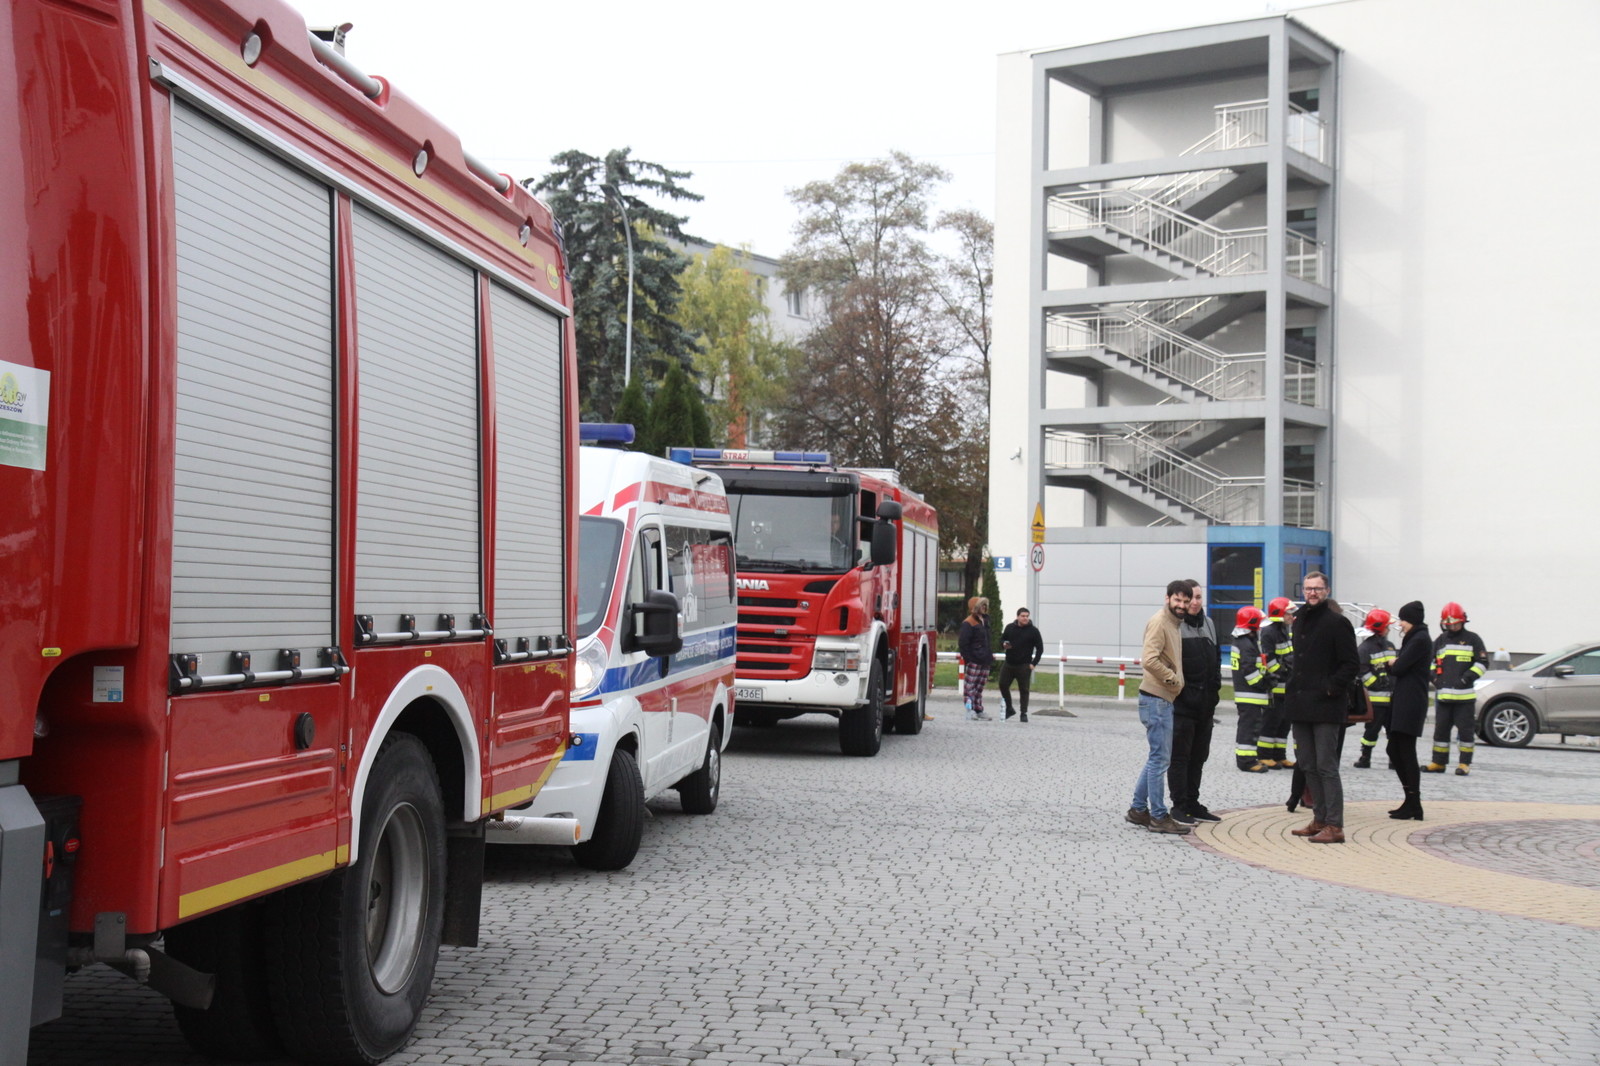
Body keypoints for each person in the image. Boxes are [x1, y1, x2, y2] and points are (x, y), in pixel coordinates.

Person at [1283, 571, 1359, 844]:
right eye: (1308, 589)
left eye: (1317, 588)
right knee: (1307, 764)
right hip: (1301, 704)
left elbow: (1351, 664)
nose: (1312, 593)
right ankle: (1319, 818)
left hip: (1326, 705)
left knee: (1326, 765)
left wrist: (1330, 687)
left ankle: (1335, 826)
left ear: (1327, 591)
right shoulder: (1299, 619)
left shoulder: (1337, 622)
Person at [1125, 581, 1192, 835]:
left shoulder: (1174, 623)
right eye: (1178, 600)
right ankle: (1159, 816)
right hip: (1157, 698)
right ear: (1167, 598)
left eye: (1185, 601)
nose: (1182, 605)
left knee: (1157, 757)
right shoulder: (1160, 622)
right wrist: (1173, 680)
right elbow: (1149, 659)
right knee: (1160, 759)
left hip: (1161, 699)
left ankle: (1138, 809)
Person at [1169, 580, 1223, 823]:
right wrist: (1181, 691)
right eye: (1190, 598)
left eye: (1199, 597)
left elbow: (1216, 659)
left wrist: (1215, 690)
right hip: (1182, 706)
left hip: (1206, 705)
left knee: (1199, 756)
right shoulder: (1175, 625)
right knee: (1180, 758)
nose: (1194, 602)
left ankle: (1193, 802)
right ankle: (1179, 805)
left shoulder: (1209, 623)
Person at [1427, 601, 1488, 775]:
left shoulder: (1473, 639)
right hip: (1444, 697)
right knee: (1440, 732)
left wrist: (1466, 678)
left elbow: (1482, 663)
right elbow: (1429, 662)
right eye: (1449, 624)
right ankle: (1438, 762)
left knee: (1466, 733)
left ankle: (1464, 764)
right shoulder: (1441, 640)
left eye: (1455, 623)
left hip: (1464, 698)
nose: (1452, 627)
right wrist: (1435, 678)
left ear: (1462, 621)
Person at [1385, 601, 1430, 820]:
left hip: (1411, 702)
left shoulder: (1419, 639)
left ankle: (1414, 803)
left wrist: (1393, 662)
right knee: (1394, 750)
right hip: (1404, 700)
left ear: (1412, 620)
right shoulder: (1415, 637)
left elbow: (1400, 667)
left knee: (1405, 751)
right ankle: (1410, 801)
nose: (1400, 624)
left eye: (1403, 619)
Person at [1353, 609, 1398, 768]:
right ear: (1380, 628)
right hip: (1375, 700)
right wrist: (1376, 683)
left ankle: (1394, 759)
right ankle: (1365, 757)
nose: (1389, 629)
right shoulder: (1365, 649)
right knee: (1371, 731)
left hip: (1392, 699)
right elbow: (1361, 671)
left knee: (1393, 731)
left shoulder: (1390, 646)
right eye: (1387, 626)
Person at [1230, 607, 1272, 773]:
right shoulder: (1246, 644)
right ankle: (1246, 761)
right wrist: (1264, 683)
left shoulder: (1244, 641)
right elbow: (1249, 671)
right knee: (1249, 729)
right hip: (1250, 695)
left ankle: (1249, 758)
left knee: (1251, 727)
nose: (1261, 627)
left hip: (1249, 695)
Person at [1257, 597, 1296, 769]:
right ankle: (1264, 755)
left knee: (1284, 723)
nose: (1291, 617)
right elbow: (1268, 660)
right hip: (1275, 687)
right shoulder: (1269, 632)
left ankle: (1280, 756)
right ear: (1279, 614)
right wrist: (1283, 671)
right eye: (1288, 613)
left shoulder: (1284, 630)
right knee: (1271, 721)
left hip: (1286, 686)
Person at [998, 608, 1045, 721]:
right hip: (1009, 663)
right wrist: (1003, 644)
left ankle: (1023, 713)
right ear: (1017, 616)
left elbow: (1040, 648)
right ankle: (1009, 708)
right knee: (1002, 685)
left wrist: (1034, 663)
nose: (1025, 618)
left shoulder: (1033, 631)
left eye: (1027, 616)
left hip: (1024, 665)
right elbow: (1002, 640)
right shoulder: (1010, 627)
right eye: (1023, 616)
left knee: (1024, 690)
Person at [958, 596, 995, 721]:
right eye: (981, 605)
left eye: (985, 605)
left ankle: (979, 709)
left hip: (985, 659)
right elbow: (963, 643)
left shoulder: (985, 621)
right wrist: (968, 659)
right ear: (975, 607)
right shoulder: (968, 622)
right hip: (974, 659)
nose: (984, 607)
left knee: (979, 687)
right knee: (970, 687)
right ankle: (970, 710)